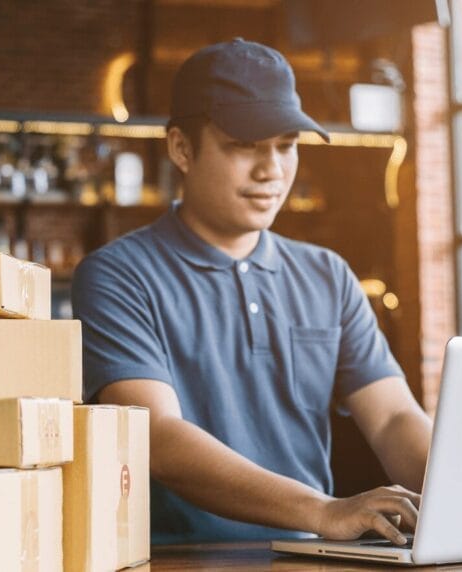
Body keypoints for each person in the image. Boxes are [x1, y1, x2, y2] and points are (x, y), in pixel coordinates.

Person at [71, 38, 433, 545]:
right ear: (181, 148)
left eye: (286, 145)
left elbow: (393, 417)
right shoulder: (118, 276)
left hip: (309, 558)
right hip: (176, 561)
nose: (272, 170)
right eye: (244, 145)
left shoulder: (329, 276)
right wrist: (324, 511)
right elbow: (158, 437)